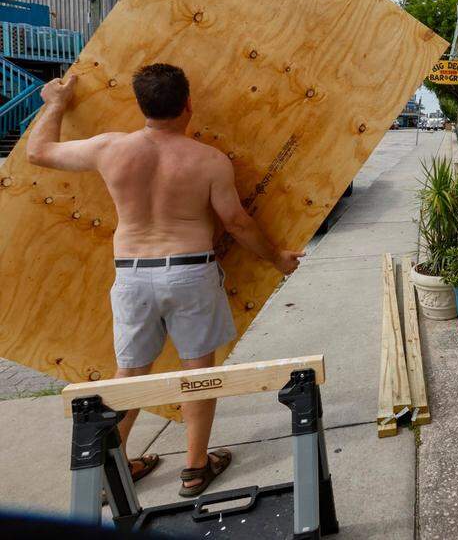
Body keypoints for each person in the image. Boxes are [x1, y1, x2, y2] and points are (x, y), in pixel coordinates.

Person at [27, 63, 304, 497]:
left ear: (141, 105)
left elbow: (38, 151)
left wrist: (57, 104)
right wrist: (278, 259)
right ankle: (194, 469)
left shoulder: (110, 148)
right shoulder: (209, 161)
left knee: (132, 373)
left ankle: (110, 473)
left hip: (134, 275)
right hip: (190, 272)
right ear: (188, 104)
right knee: (198, 369)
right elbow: (236, 223)